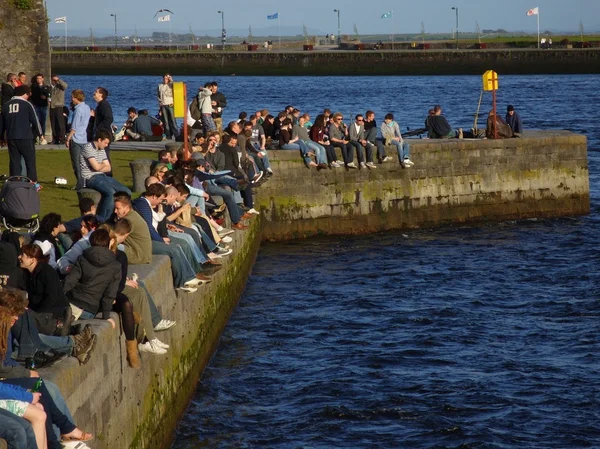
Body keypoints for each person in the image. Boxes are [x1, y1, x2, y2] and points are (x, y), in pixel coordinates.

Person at [131, 184, 205, 291]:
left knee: (181, 245)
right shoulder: (143, 205)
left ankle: (192, 275)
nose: (160, 202)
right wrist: (161, 240)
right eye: (160, 199)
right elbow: (149, 228)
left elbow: (156, 221)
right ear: (154, 196)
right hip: (145, 242)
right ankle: (182, 282)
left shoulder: (145, 203)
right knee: (174, 249)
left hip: (152, 237)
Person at [80, 129, 132, 221]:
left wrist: (101, 166)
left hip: (103, 176)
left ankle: (122, 216)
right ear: (99, 140)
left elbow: (108, 168)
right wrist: (102, 165)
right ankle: (103, 220)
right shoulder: (88, 148)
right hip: (90, 178)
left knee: (126, 191)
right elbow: (96, 167)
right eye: (105, 143)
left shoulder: (102, 149)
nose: (106, 145)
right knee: (111, 193)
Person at [0, 85, 42, 182]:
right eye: (27, 94)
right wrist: (40, 134)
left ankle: (15, 182)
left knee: (14, 161)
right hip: (25, 137)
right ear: (24, 94)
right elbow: (35, 120)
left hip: (11, 137)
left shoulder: (6, 105)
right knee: (30, 161)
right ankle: (32, 182)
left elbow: (2, 124)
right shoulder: (27, 104)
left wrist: (1, 137)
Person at [65, 89, 90, 190]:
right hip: (84, 137)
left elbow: (74, 126)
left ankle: (80, 182)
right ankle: (85, 181)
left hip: (76, 139)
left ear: (76, 98)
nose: (72, 99)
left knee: (76, 162)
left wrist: (68, 138)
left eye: (72, 97)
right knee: (83, 162)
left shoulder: (78, 109)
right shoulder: (87, 107)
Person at [91, 87, 114, 170]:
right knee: (100, 155)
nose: (94, 93)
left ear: (101, 95)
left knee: (104, 156)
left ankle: (108, 174)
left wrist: (99, 129)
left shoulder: (104, 104)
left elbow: (109, 118)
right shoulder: (100, 105)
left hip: (104, 134)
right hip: (100, 134)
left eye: (96, 92)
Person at [30, 74, 51, 145]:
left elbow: (49, 96)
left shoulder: (46, 87)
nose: (38, 80)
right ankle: (35, 137)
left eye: (40, 78)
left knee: (43, 122)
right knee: (36, 122)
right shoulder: (33, 87)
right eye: (37, 78)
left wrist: (46, 99)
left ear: (43, 79)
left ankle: (42, 137)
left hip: (44, 106)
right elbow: (31, 96)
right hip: (36, 106)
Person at [48, 74, 68, 145]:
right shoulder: (50, 87)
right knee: (53, 124)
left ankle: (63, 139)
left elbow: (65, 86)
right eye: (52, 80)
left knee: (60, 124)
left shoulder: (60, 86)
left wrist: (58, 80)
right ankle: (55, 139)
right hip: (52, 107)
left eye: (54, 80)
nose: (53, 81)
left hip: (58, 106)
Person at [157, 74, 177, 140]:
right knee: (166, 121)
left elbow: (175, 85)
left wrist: (170, 78)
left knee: (173, 120)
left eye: (167, 78)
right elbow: (158, 96)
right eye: (164, 78)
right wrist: (160, 105)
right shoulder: (160, 86)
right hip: (163, 105)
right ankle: (168, 135)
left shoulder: (171, 85)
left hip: (170, 104)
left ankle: (176, 134)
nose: (165, 80)